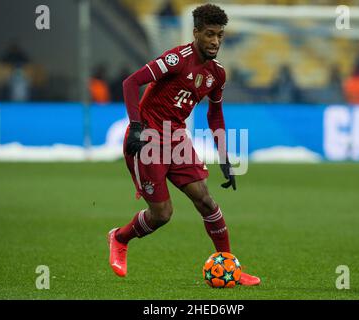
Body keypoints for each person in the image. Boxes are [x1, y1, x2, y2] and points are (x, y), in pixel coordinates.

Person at [108, 3, 260, 286]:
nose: (215, 41)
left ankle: (230, 267)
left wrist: (225, 156)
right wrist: (136, 127)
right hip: (149, 138)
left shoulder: (218, 74)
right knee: (162, 215)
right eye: (210, 34)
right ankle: (119, 238)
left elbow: (215, 114)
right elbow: (131, 83)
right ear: (196, 33)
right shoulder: (176, 59)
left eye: (220, 35)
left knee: (206, 201)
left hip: (176, 138)